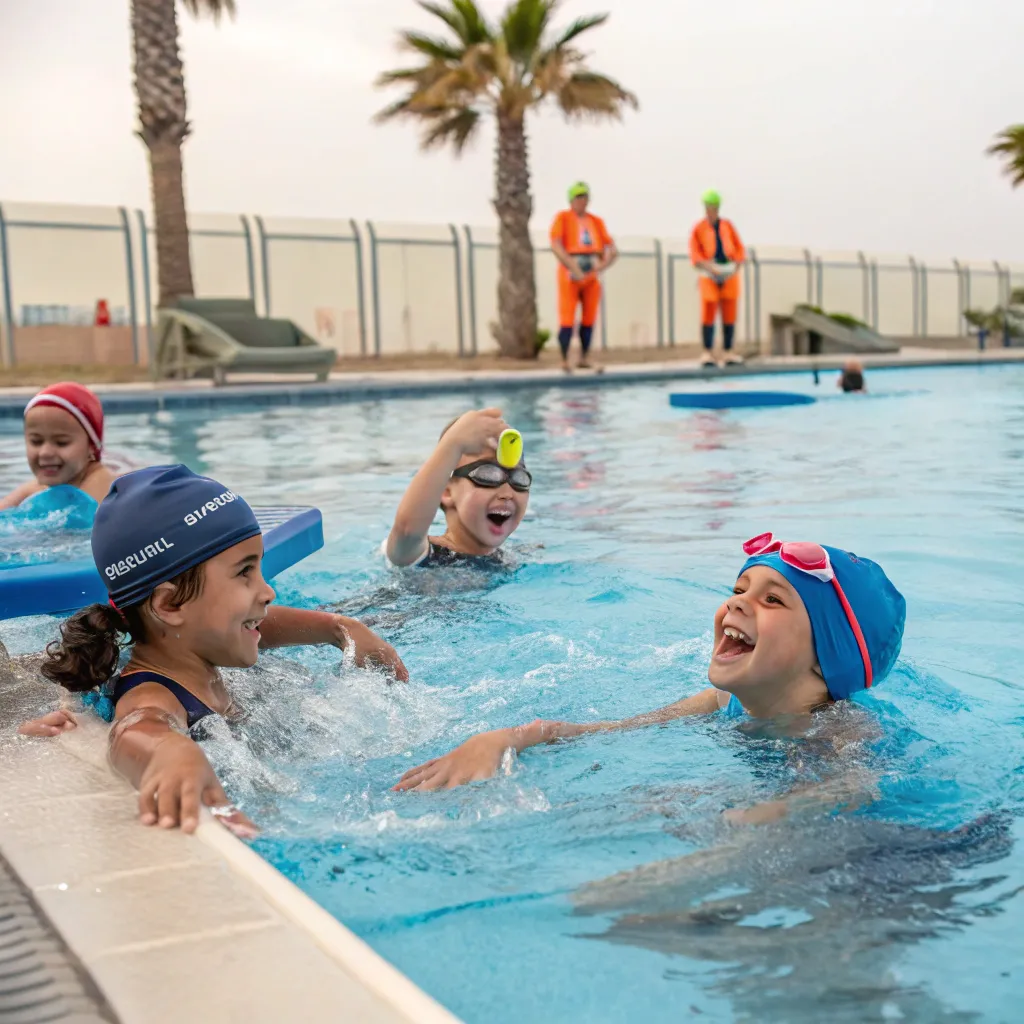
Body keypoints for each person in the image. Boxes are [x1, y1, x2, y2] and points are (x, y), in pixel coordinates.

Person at [19, 464, 407, 834]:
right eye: (244, 572)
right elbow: (137, 727)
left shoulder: (189, 647)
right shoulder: (152, 693)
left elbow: (248, 626)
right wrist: (172, 755)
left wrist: (338, 628)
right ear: (170, 605)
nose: (267, 590)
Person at [394, 531, 906, 810]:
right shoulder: (720, 705)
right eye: (737, 590)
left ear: (825, 657)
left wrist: (740, 818)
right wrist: (507, 739)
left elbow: (852, 787)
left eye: (772, 600)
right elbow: (606, 733)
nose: (738, 605)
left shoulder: (841, 731)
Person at [386, 409, 530, 568]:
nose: (507, 493)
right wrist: (454, 442)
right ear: (445, 491)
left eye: (519, 478)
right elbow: (407, 531)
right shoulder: (425, 556)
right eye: (488, 475)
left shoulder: (513, 557)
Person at [1, 382, 119, 509]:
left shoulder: (102, 484)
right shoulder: (37, 488)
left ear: (92, 446)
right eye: (36, 441)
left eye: (61, 443)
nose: (45, 452)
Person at [549, 182, 618, 373]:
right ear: (571, 200)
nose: (582, 201)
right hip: (570, 273)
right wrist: (574, 268)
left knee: (589, 318)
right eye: (578, 197)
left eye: (585, 197)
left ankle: (584, 357)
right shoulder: (562, 218)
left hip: (591, 274)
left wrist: (601, 265)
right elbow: (556, 245)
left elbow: (611, 247)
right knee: (567, 318)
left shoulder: (596, 221)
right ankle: (564, 360)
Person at [689, 190, 746, 369]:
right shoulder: (698, 228)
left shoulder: (727, 226)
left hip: (728, 271)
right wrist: (708, 267)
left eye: (714, 207)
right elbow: (695, 253)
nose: (711, 210)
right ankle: (707, 352)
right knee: (709, 310)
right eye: (708, 207)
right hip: (709, 272)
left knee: (729, 312)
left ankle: (728, 351)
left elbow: (739, 248)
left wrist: (736, 265)